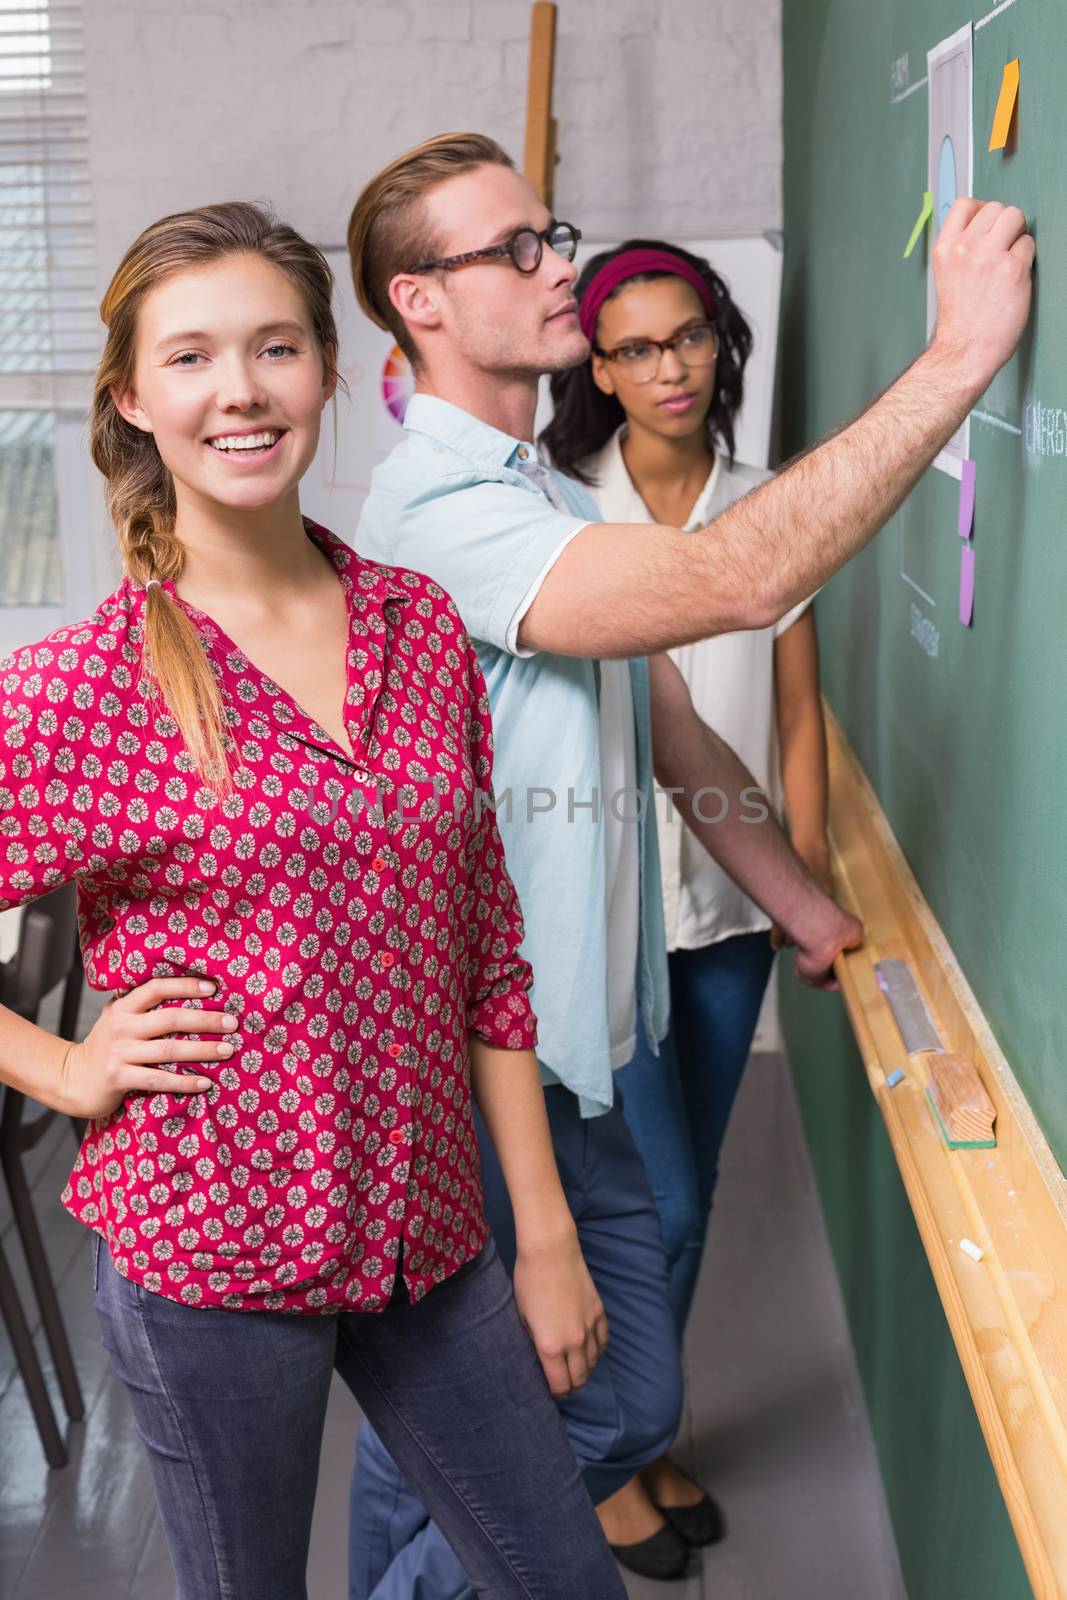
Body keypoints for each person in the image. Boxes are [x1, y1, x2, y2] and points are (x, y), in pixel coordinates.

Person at [342, 133, 1032, 1592]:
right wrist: (958, 357)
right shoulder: (431, 515)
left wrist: (802, 909)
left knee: (616, 1399)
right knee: (486, 1436)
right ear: (416, 301)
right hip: (481, 1078)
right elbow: (737, 577)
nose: (558, 270)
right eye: (513, 252)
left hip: (577, 1061)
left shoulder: (546, 496)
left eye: (552, 234)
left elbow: (673, 739)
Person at [0, 200, 629, 1600]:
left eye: (276, 348)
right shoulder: (80, 689)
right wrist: (64, 1064)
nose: (240, 390)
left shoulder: (418, 628)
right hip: (209, 1251)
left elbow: (486, 949)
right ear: (133, 398)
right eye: (192, 358)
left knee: (561, 1584)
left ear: (330, 376)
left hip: (428, 1231)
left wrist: (543, 1230)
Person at [542, 235, 832, 1520]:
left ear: (723, 344)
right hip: (592, 918)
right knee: (642, 1199)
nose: (669, 367)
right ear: (596, 369)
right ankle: (604, 1454)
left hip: (723, 918)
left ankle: (644, 1430)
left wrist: (799, 890)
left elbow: (799, 717)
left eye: (691, 337)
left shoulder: (775, 504)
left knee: (689, 1194)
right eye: (637, 348)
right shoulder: (554, 510)